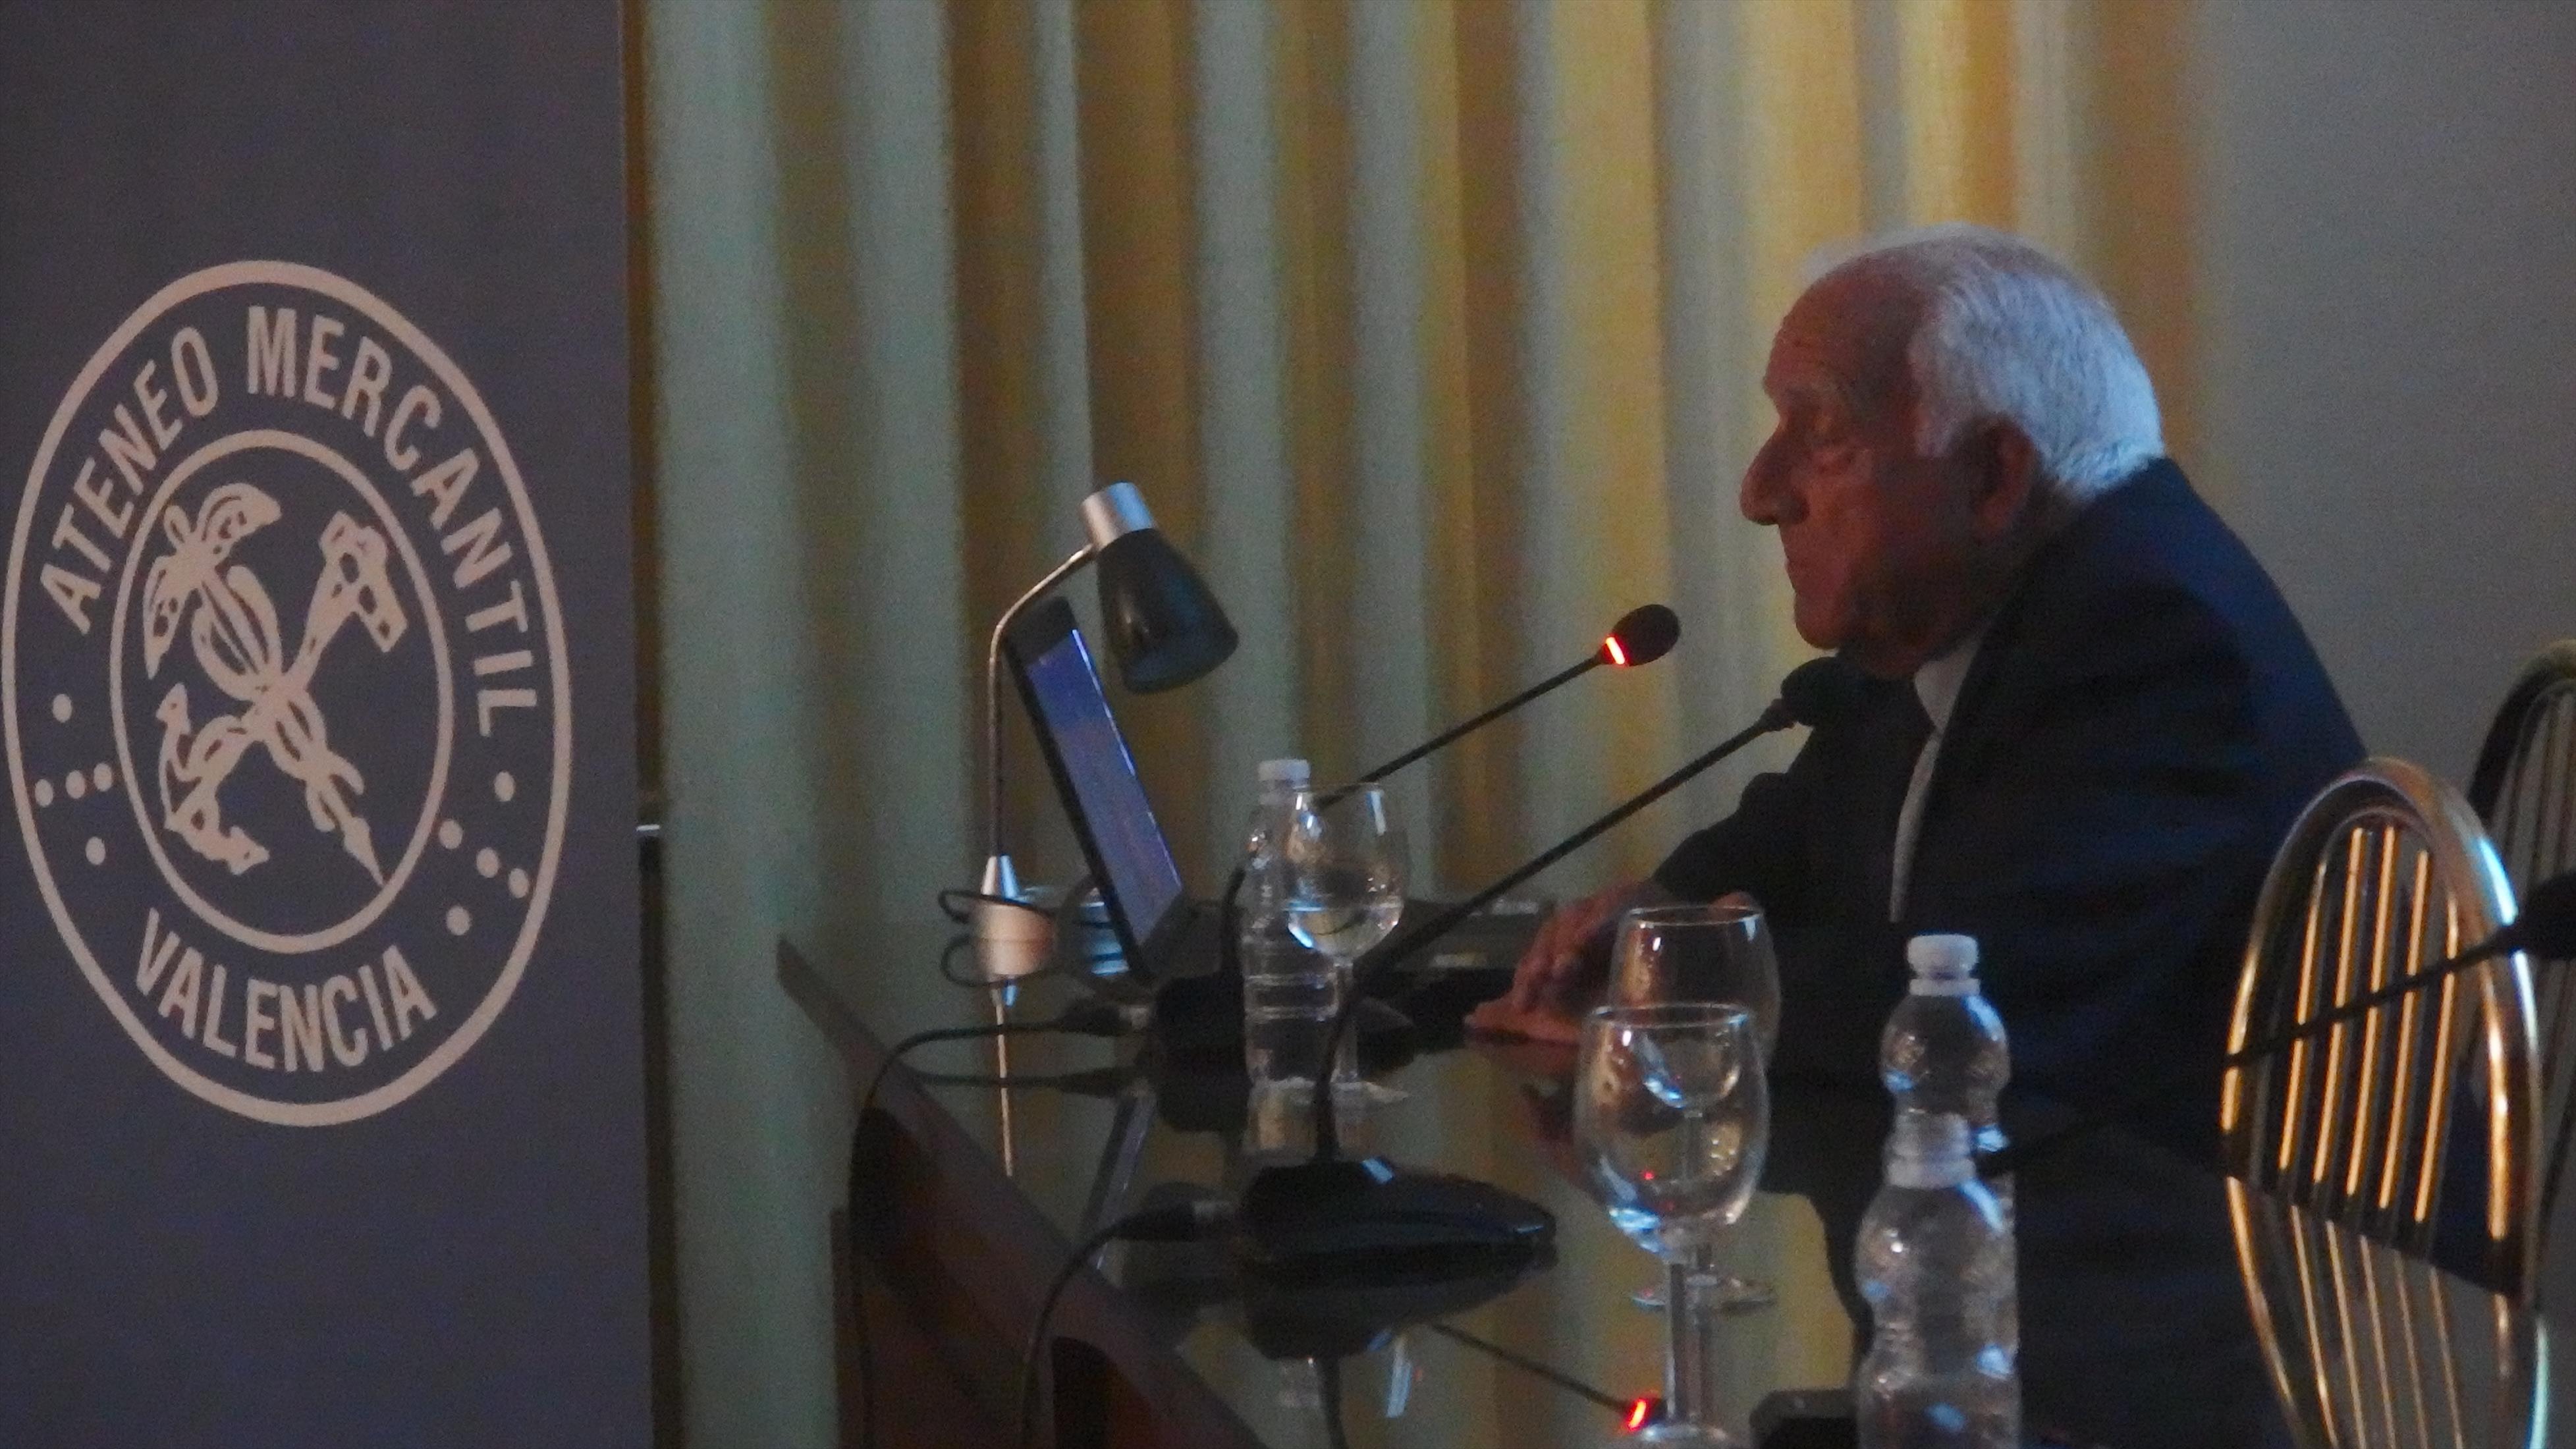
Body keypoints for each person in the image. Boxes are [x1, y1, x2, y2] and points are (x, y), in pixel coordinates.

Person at [1471, 224, 2355, 1449]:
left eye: (1820, 434)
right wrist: (1650, 918)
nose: (1762, 490)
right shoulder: (1979, 605)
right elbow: (1799, 831)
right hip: (2006, 1297)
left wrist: (1665, 1001)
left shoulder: (2152, 636)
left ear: (1991, 474)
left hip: (2178, 1352)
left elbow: (1968, 1006)